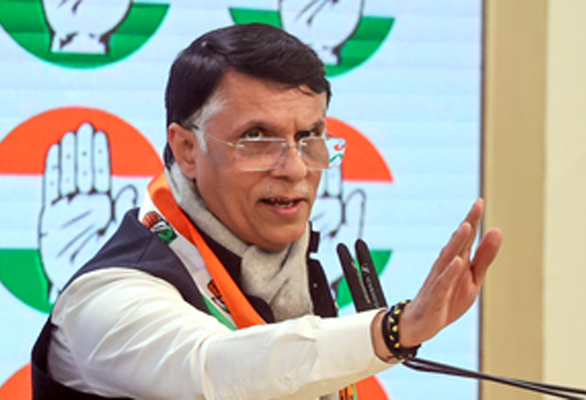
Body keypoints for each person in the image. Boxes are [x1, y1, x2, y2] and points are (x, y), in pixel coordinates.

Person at [31, 23, 502, 400]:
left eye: (308, 137)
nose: (294, 168)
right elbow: (217, 371)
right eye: (256, 138)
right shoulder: (107, 297)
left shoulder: (288, 272)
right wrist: (393, 330)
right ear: (188, 149)